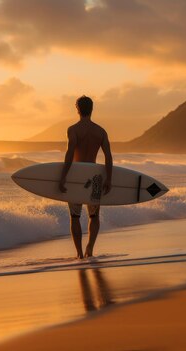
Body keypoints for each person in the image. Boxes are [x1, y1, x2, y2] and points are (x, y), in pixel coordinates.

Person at [58, 96, 113, 259]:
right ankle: (90, 248)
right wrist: (108, 179)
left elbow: (69, 155)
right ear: (92, 109)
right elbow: (108, 157)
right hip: (95, 177)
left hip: (76, 177)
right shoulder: (101, 131)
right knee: (94, 215)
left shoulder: (73, 130)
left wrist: (63, 178)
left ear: (77, 109)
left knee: (75, 216)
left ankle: (79, 253)